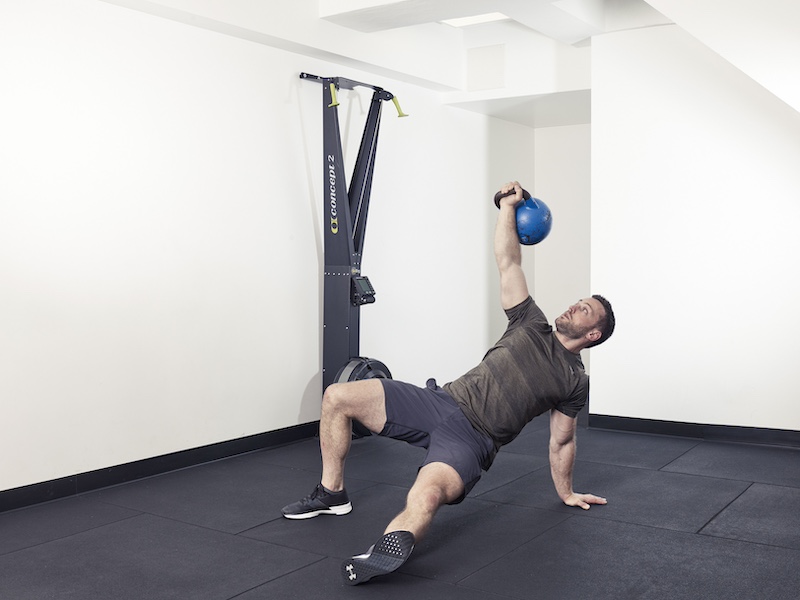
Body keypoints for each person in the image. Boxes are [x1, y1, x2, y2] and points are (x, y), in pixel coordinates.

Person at [281, 181, 616, 586]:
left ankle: (384, 550)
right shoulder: (530, 321)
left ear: (593, 334)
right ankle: (332, 493)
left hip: (474, 440)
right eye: (578, 301)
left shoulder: (574, 381)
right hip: (439, 402)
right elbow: (509, 261)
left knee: (428, 493)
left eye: (585, 310)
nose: (573, 306)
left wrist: (566, 492)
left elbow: (562, 440)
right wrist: (507, 207)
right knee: (337, 397)